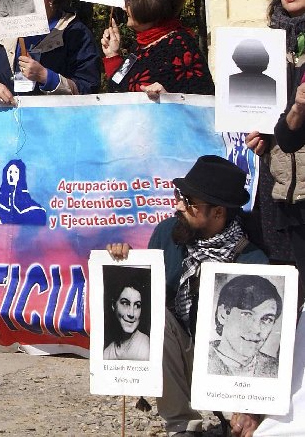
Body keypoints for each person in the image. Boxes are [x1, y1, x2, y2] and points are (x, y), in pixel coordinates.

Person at [107, 155, 268, 437]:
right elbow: (145, 293)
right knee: (157, 316)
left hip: (227, 363)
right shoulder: (168, 234)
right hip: (182, 356)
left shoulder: (252, 260)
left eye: (190, 202)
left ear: (218, 213)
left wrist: (253, 406)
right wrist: (124, 262)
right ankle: (182, 427)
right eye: (180, 195)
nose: (178, 205)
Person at [245, 0, 305, 310]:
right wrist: (259, 131)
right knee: (288, 275)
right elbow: (261, 111)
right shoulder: (267, 45)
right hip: (280, 179)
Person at [100, 0, 213, 99]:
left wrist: (167, 98)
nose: (124, 7)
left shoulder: (179, 46)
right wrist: (112, 56)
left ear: (146, 4)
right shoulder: (142, 45)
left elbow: (200, 102)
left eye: (129, 2)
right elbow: (119, 90)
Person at [208, 274, 282, 378]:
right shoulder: (200, 359)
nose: (257, 329)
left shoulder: (277, 369)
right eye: (247, 314)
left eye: (267, 319)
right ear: (223, 314)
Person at [102, 265, 151, 361]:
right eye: (125, 303)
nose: (131, 314)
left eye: (137, 305)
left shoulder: (146, 347)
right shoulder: (107, 353)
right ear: (113, 305)